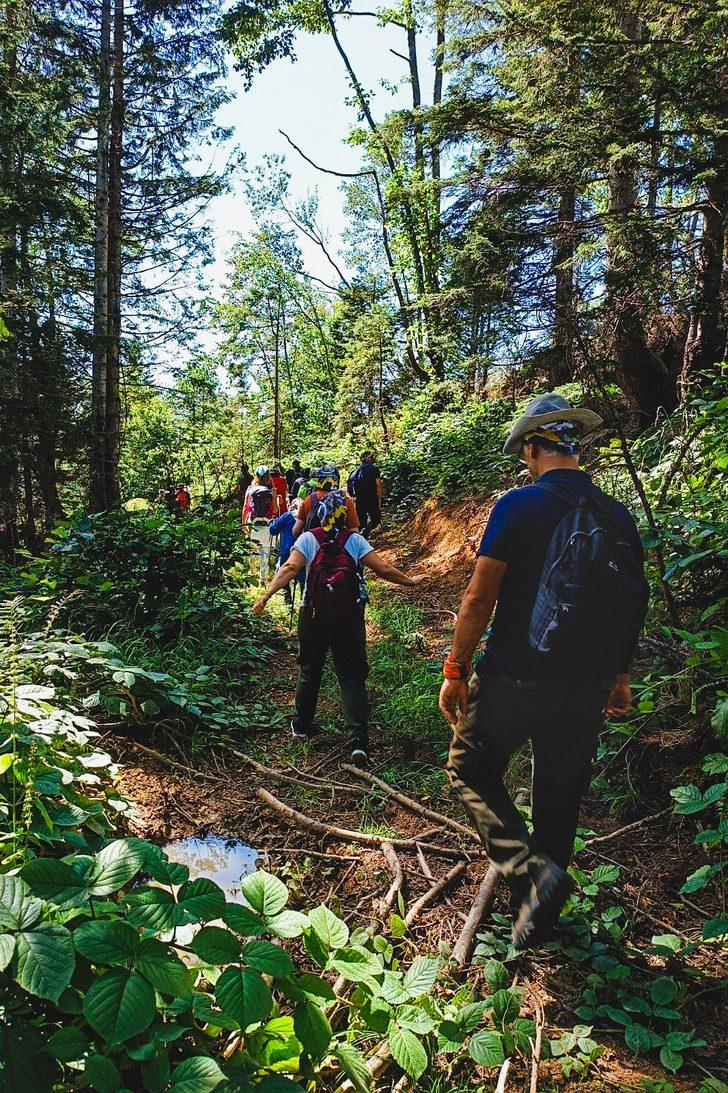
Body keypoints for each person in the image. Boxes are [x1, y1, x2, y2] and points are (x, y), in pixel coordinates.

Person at [439, 392, 649, 951]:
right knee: (559, 795)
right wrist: (619, 676)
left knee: (468, 769)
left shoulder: (518, 505)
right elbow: (634, 601)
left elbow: (479, 597)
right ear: (574, 449)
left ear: (532, 449)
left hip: (515, 675)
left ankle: (531, 872)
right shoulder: (616, 513)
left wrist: (456, 667)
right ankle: (536, 923)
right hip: (588, 684)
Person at [253, 488, 425, 765]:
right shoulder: (354, 540)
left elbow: (290, 568)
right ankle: (358, 742)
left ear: (318, 515)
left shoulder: (308, 538)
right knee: (352, 676)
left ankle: (302, 725)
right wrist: (411, 581)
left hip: (313, 615)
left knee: (310, 669)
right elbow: (383, 569)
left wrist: (265, 596)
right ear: (344, 516)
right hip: (349, 616)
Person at [293, 463, 359, 535]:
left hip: (314, 541)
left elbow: (296, 531)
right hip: (338, 541)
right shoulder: (345, 501)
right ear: (337, 480)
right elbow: (354, 532)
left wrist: (306, 540)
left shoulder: (309, 499)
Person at [242, 466, 277, 584]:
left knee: (253, 549)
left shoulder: (250, 489)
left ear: (256, 476)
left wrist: (243, 524)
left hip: (253, 523)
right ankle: (263, 577)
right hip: (266, 523)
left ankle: (252, 572)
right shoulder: (271, 490)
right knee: (265, 551)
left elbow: (245, 507)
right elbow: (275, 509)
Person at [269, 499, 303, 605]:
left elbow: (273, 530)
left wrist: (271, 522)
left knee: (283, 573)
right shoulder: (307, 517)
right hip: (302, 551)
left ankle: (287, 598)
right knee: (303, 577)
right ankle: (303, 601)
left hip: (287, 551)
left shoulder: (287, 516)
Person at [348, 451, 383, 536]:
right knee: (376, 519)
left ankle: (363, 536)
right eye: (372, 457)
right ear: (369, 458)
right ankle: (368, 532)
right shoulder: (373, 469)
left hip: (359, 499)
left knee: (361, 521)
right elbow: (378, 485)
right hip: (371, 497)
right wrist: (380, 499)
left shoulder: (356, 470)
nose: (374, 458)